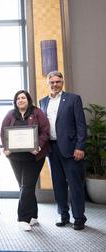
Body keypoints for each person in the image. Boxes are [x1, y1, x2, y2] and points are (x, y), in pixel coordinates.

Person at [39, 71, 87, 231]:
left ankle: (79, 217)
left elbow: (81, 125)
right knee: (58, 184)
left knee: (75, 185)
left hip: (71, 148)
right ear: (48, 83)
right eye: (51, 82)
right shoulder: (43, 102)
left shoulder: (73, 99)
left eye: (57, 81)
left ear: (62, 82)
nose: (55, 84)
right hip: (51, 149)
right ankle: (63, 215)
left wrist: (80, 147)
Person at [1, 90, 50, 231]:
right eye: (18, 98)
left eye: (23, 98)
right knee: (24, 186)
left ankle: (22, 218)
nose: (21, 100)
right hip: (15, 157)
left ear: (28, 99)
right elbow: (3, 131)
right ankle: (33, 215)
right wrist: (6, 147)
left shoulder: (37, 112)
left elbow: (45, 131)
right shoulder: (11, 114)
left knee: (27, 186)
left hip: (34, 157)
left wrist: (38, 145)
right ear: (15, 101)